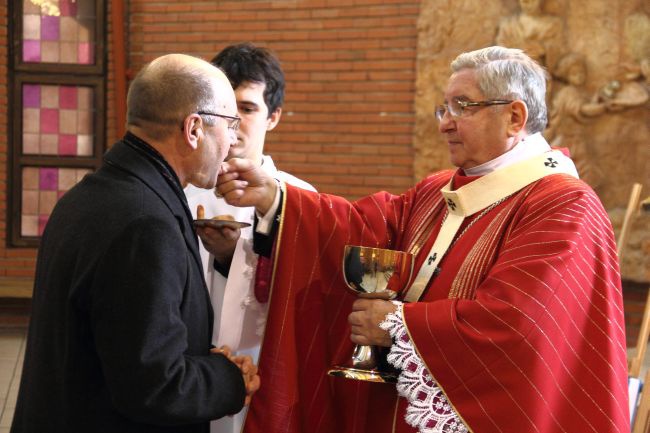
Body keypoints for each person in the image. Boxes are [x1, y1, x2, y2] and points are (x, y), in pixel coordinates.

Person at [217, 46, 629, 433]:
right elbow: (364, 230)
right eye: (444, 107)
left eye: (462, 107)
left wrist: (397, 326)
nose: (445, 122)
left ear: (515, 118)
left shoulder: (563, 204)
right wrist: (275, 196)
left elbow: (517, 323)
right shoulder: (438, 190)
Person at [11, 54, 260, 433]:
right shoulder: (145, 223)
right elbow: (153, 385)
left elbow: (121, 345)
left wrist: (203, 363)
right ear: (194, 128)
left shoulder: (91, 194)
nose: (232, 140)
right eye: (229, 124)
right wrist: (228, 379)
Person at [184, 42, 315, 433]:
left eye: (247, 107)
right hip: (186, 370)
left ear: (273, 117)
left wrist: (230, 257)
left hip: (261, 365)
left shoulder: (302, 197)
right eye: (224, 106)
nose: (234, 120)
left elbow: (307, 293)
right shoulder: (180, 190)